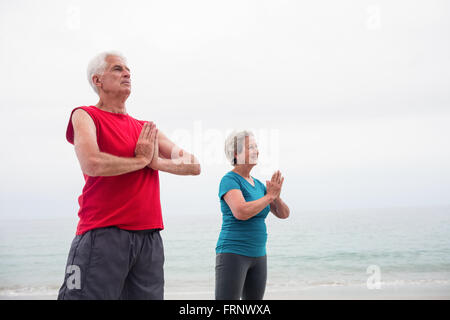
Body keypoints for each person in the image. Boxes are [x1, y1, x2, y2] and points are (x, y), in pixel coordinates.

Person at [58, 51, 200, 300]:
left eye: (128, 70)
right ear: (97, 80)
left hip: (150, 239)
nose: (126, 73)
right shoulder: (85, 115)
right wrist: (139, 161)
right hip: (102, 235)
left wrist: (154, 162)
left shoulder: (146, 129)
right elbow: (92, 163)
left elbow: (193, 164)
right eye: (117, 68)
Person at [215, 130, 290, 300]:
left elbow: (284, 214)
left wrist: (275, 195)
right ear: (236, 153)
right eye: (251, 147)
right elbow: (240, 211)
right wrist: (269, 196)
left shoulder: (258, 185)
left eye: (257, 147)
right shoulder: (229, 180)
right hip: (233, 253)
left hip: (258, 256)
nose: (257, 150)